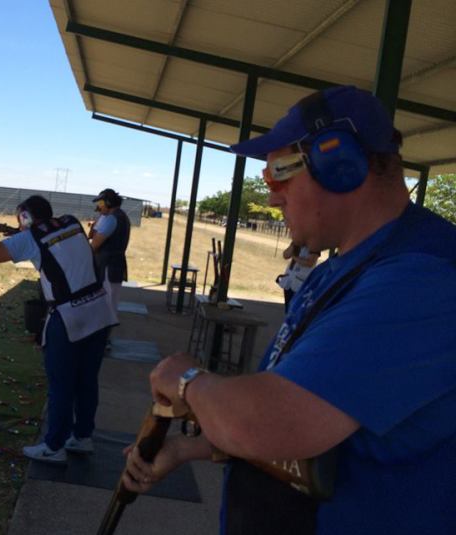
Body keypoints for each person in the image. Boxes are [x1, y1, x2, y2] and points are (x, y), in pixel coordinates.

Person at [122, 85, 456, 534]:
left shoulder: (422, 280)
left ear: (340, 163)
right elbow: (312, 414)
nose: (274, 196)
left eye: (280, 174)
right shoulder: (337, 269)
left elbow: (273, 423)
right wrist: (190, 448)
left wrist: (186, 382)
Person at [0, 195, 117, 464]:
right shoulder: (71, 223)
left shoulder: (30, 238)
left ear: (25, 218)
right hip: (99, 310)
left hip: (69, 316)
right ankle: (82, 437)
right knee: (86, 381)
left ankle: (53, 446)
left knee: (60, 384)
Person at [88, 188, 131, 310]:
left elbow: (94, 244)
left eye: (101, 203)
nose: (98, 206)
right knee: (111, 303)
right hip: (114, 265)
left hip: (108, 266)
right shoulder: (116, 216)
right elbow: (91, 235)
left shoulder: (111, 219)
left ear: (109, 203)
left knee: (106, 304)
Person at [277, 243, 320, 311]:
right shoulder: (296, 242)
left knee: (296, 309)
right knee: (288, 308)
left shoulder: (314, 245)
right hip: (289, 281)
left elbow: (310, 263)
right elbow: (285, 255)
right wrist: (293, 245)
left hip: (301, 283)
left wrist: (294, 257)